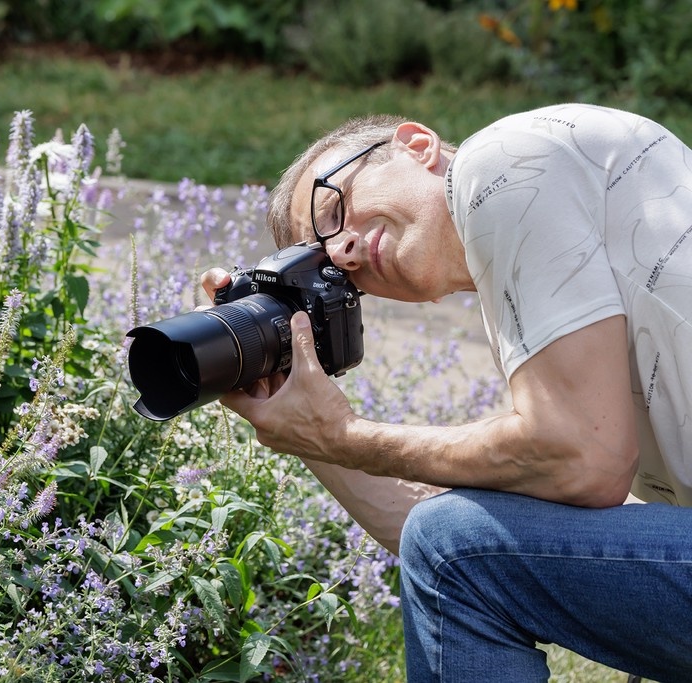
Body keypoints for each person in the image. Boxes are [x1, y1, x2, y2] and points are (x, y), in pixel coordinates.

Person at [200, 103, 692, 681]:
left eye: (333, 208)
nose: (342, 252)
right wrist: (301, 421)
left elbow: (586, 461)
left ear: (417, 145)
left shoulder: (502, 162)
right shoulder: (540, 273)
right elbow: (443, 537)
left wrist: (347, 435)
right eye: (332, 272)